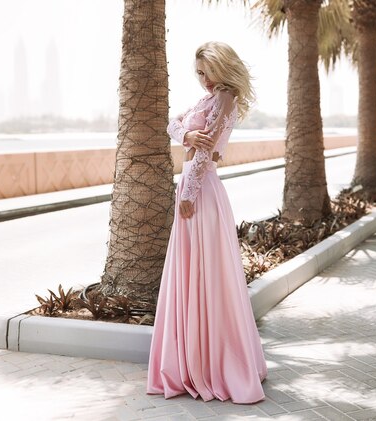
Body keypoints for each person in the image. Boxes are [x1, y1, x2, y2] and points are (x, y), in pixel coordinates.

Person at [146, 41, 268, 404]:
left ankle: (213, 365)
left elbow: (206, 152)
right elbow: (173, 124)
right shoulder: (205, 101)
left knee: (207, 274)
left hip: (200, 191)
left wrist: (188, 194)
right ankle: (191, 362)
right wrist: (185, 134)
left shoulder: (225, 98)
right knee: (190, 272)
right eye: (199, 73)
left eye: (208, 72)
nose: (204, 80)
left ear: (222, 68)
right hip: (192, 187)